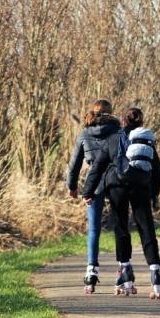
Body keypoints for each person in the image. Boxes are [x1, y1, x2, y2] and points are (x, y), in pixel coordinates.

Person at [82, 107, 160, 299]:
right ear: (141, 123)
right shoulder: (146, 142)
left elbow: (97, 168)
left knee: (121, 227)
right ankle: (156, 276)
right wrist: (153, 194)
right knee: (146, 227)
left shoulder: (113, 139)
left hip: (116, 186)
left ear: (123, 122)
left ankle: (125, 273)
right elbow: (158, 173)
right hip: (141, 187)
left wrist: (88, 192)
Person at [66, 99, 120, 293]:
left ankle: (91, 271)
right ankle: (123, 268)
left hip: (94, 182)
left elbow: (74, 164)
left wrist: (72, 186)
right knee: (120, 225)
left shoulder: (84, 133)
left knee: (94, 229)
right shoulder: (118, 132)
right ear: (111, 113)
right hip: (116, 180)